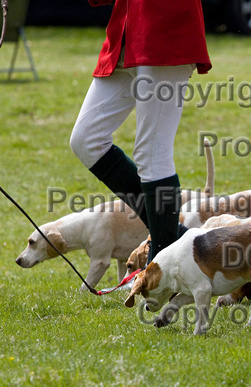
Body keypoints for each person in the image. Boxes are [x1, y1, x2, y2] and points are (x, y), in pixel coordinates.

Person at [70, 0, 211, 264]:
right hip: (127, 31)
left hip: (163, 28)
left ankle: (163, 261)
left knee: (151, 155)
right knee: (86, 139)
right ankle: (176, 240)